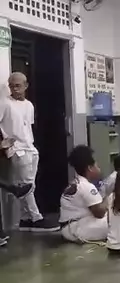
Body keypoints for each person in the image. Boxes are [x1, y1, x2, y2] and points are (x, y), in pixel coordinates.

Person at [0, 72, 59, 231]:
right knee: (26, 185)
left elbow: (27, 126)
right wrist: (2, 144)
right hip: (17, 149)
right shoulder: (5, 103)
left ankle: (25, 218)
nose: (14, 89)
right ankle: (36, 217)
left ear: (26, 86)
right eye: (11, 86)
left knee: (29, 185)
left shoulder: (29, 105)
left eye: (18, 86)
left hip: (30, 147)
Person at [59, 145, 109, 244]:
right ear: (90, 168)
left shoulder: (78, 182)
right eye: (97, 165)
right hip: (76, 229)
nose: (99, 167)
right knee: (118, 223)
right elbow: (99, 213)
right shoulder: (86, 186)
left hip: (72, 226)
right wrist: (109, 198)